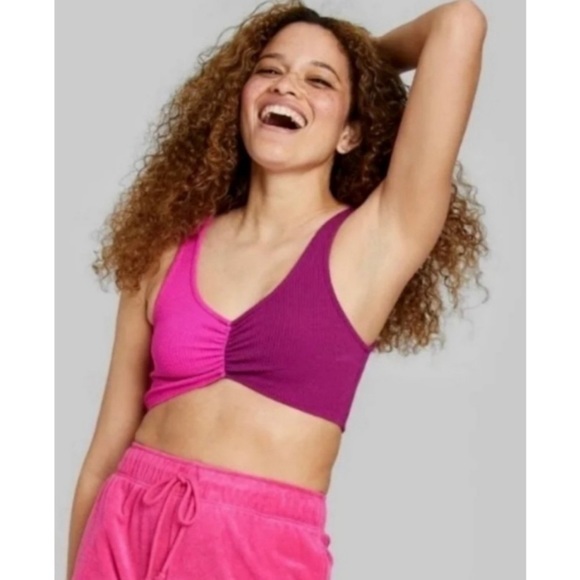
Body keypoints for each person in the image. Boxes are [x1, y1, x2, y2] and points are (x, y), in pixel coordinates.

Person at [67, 0, 488, 578]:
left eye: (319, 81)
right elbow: (103, 456)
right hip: (125, 521)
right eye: (269, 70)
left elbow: (459, 23)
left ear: (350, 132)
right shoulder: (166, 248)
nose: (287, 85)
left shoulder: (373, 244)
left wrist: (364, 63)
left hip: (255, 547)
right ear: (238, 99)